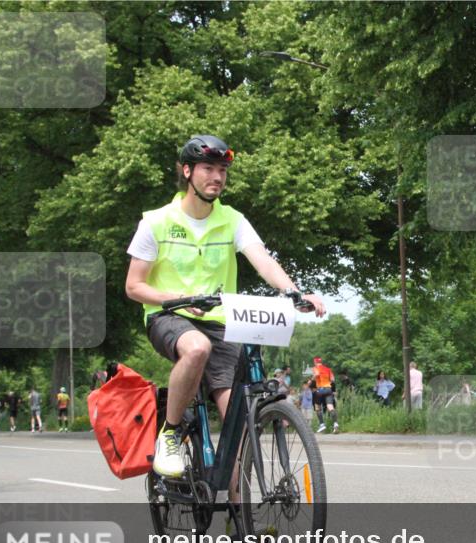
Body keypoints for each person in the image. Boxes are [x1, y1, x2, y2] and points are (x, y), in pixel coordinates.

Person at [125, 134, 326, 477]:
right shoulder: (156, 222)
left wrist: (295, 293)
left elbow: (263, 260)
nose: (216, 177)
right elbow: (134, 286)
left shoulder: (232, 219)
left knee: (240, 425)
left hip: (222, 321)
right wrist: (174, 299)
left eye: (222, 170)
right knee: (196, 347)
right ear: (187, 172)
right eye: (207, 168)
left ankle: (240, 518)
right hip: (169, 316)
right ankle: (171, 433)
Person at [310, 357, 338, 433]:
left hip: (320, 390)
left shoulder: (315, 368)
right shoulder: (328, 369)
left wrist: (311, 380)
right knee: (330, 407)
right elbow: (332, 380)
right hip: (329, 389)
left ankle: (322, 425)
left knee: (317, 407)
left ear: (315, 362)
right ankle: (335, 423)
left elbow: (317, 374)